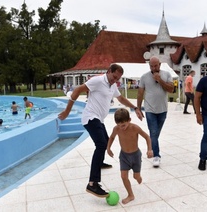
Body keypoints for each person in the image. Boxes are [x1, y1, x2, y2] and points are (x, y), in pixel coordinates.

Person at [58, 64, 143, 198]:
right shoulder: (97, 81)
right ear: (109, 71)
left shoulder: (112, 85)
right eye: (114, 77)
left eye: (118, 79)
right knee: (101, 145)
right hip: (90, 117)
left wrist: (135, 107)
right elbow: (77, 90)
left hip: (99, 119)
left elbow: (120, 98)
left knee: (106, 140)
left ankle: (100, 162)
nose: (115, 80)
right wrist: (67, 111)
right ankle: (92, 184)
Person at [106, 108, 153, 204]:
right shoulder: (116, 129)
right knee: (123, 176)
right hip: (123, 156)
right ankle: (130, 195)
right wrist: (108, 148)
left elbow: (147, 137)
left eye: (123, 125)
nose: (121, 128)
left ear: (129, 120)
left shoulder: (135, 128)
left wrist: (149, 149)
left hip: (135, 156)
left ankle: (138, 177)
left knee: (136, 177)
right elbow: (111, 137)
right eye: (119, 125)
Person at [136, 56, 174, 167]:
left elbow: (171, 89)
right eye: (151, 66)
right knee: (153, 132)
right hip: (149, 109)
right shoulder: (144, 77)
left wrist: (159, 80)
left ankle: (151, 145)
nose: (154, 68)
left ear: (160, 64)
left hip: (162, 109)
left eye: (155, 65)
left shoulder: (166, 75)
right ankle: (156, 156)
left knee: (156, 134)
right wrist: (138, 108)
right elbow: (140, 93)